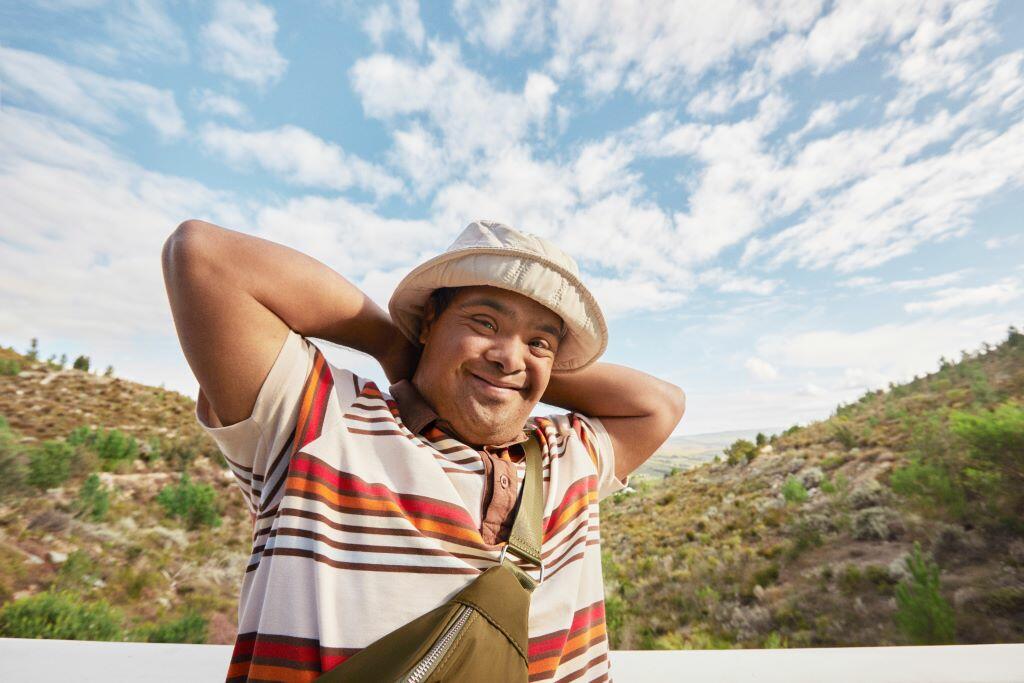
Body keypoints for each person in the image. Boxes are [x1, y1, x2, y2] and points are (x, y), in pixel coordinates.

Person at [161, 218, 686, 682]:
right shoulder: (320, 423)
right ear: (430, 323)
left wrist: (517, 368)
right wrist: (397, 346)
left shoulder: (568, 456)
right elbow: (204, 255)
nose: (508, 355)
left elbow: (661, 404)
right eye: (484, 322)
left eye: (539, 341)